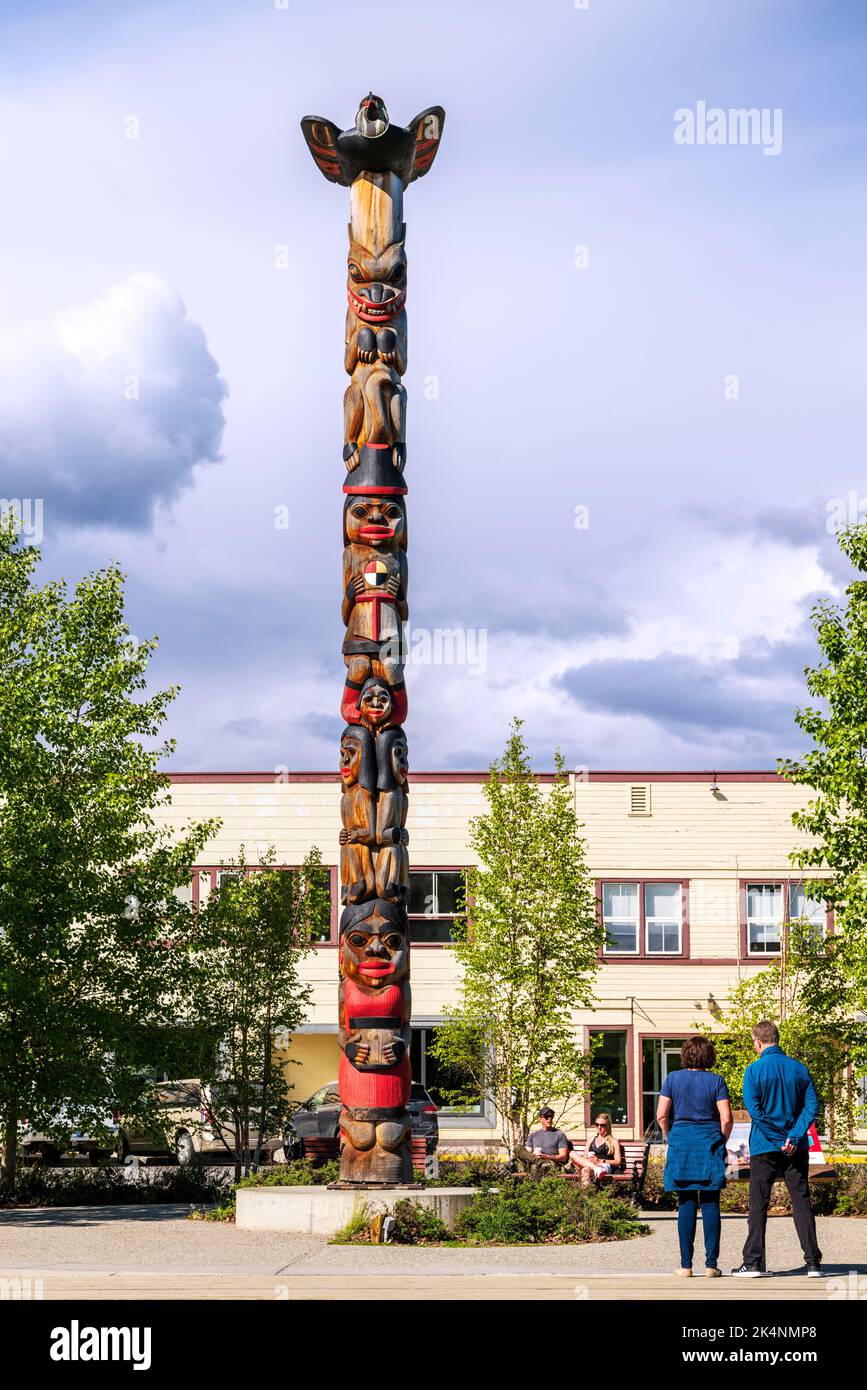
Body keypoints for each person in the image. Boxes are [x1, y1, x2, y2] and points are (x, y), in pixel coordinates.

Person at [731, 1020, 822, 1278]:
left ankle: (754, 1263)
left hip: (764, 1146)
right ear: (777, 1039)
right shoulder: (800, 1069)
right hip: (796, 1147)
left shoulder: (754, 1071)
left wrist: (777, 1137)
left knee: (758, 1204)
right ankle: (813, 1263)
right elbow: (811, 1108)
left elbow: (755, 1112)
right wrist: (793, 1136)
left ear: (758, 1042)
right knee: (801, 1201)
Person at [657, 1036, 732, 1277]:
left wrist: (670, 1136)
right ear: (709, 1055)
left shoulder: (672, 1079)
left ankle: (686, 1265)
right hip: (709, 1141)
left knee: (686, 1201)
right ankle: (711, 1265)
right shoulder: (716, 1081)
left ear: (685, 1054)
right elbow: (726, 1118)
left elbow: (661, 1115)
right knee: (711, 1202)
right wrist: (722, 1140)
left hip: (682, 1142)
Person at [514, 1107, 570, 1178]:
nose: (549, 1118)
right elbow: (527, 1153)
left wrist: (547, 1157)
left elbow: (563, 1157)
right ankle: (539, 1161)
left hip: (550, 1163)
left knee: (535, 1167)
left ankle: (535, 1186)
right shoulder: (533, 1135)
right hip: (534, 1161)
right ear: (540, 1119)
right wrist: (534, 1156)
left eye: (551, 1116)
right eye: (546, 1116)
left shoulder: (559, 1134)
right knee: (517, 1148)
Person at [570, 1113, 623, 1186]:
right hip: (591, 1165)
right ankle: (596, 1169)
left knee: (585, 1170)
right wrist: (579, 1161)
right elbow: (585, 1158)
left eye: (602, 1125)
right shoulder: (591, 1140)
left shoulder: (613, 1141)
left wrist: (600, 1160)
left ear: (607, 1126)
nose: (599, 1127)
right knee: (572, 1153)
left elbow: (618, 1161)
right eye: (597, 1124)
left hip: (604, 1166)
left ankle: (585, 1195)